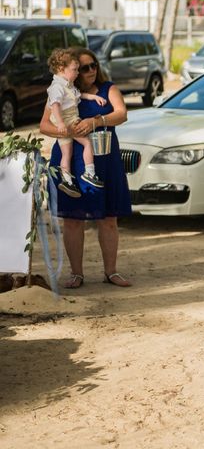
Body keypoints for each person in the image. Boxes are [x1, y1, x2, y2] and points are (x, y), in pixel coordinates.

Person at [40, 47, 132, 289]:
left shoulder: (107, 89)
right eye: (84, 67)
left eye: (94, 65)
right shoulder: (62, 90)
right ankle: (76, 274)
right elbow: (44, 126)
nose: (91, 71)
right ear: (72, 69)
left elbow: (121, 114)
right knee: (72, 219)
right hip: (71, 159)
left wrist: (96, 121)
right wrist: (68, 130)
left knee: (109, 218)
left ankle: (111, 272)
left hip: (104, 159)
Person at [47, 48, 106, 198]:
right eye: (75, 69)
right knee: (87, 143)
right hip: (67, 121)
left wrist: (93, 97)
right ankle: (89, 173)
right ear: (62, 69)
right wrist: (61, 123)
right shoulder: (57, 87)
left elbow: (80, 95)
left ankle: (67, 181)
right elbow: (54, 105)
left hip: (65, 123)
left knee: (67, 153)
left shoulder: (68, 85)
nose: (78, 73)